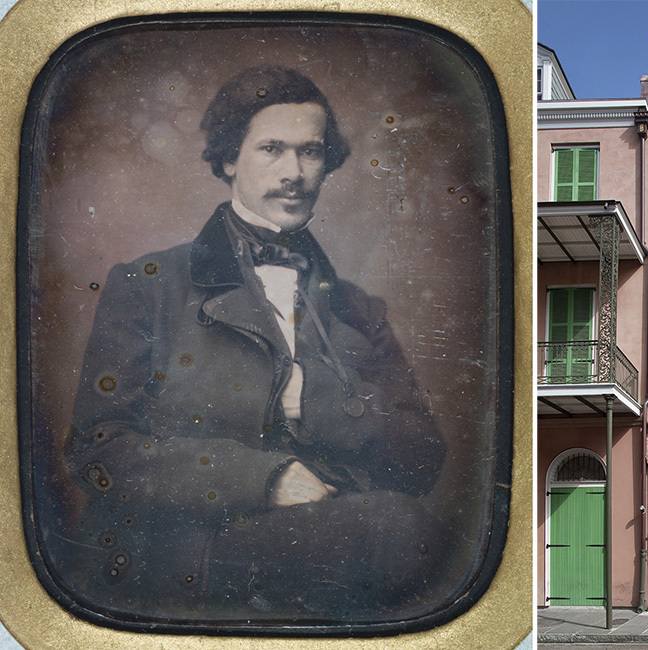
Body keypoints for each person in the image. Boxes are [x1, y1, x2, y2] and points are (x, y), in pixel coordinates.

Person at [62, 66, 447, 622]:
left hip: (329, 536)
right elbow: (98, 450)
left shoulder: (356, 308)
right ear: (226, 160)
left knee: (416, 539)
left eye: (310, 152)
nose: (294, 172)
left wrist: (331, 408)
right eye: (271, 149)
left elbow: (422, 459)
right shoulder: (148, 285)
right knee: (398, 532)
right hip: (183, 551)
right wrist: (263, 479)